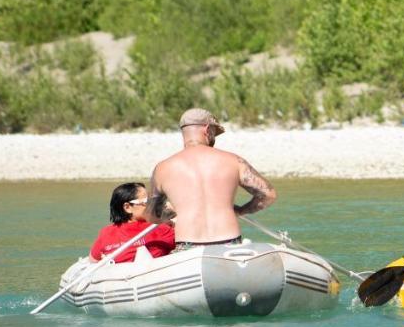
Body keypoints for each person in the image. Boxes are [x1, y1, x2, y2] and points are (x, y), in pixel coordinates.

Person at [147, 107, 275, 250]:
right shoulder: (234, 161)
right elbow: (268, 195)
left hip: (187, 244)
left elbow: (152, 216)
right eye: (215, 132)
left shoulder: (163, 168)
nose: (215, 138)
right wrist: (241, 211)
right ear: (207, 130)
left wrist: (176, 212)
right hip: (228, 242)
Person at [90, 182, 176, 262]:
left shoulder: (106, 232)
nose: (152, 205)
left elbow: (93, 259)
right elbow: (186, 241)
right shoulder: (160, 230)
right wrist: (175, 210)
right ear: (127, 207)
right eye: (147, 201)